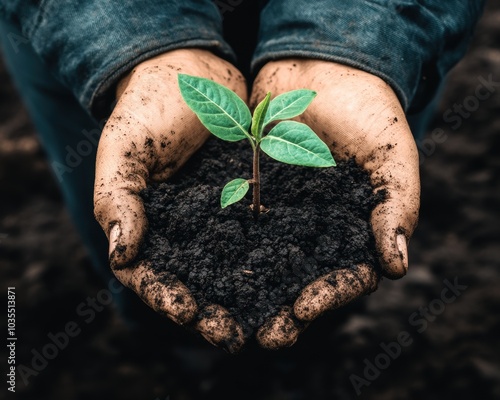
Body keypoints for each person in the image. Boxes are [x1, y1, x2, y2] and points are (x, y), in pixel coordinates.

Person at [0, 0, 486, 352]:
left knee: (353, 240)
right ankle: (171, 354)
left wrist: (355, 40)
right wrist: (133, 45)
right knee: (125, 220)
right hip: (85, 26)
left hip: (375, 30)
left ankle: (311, 355)